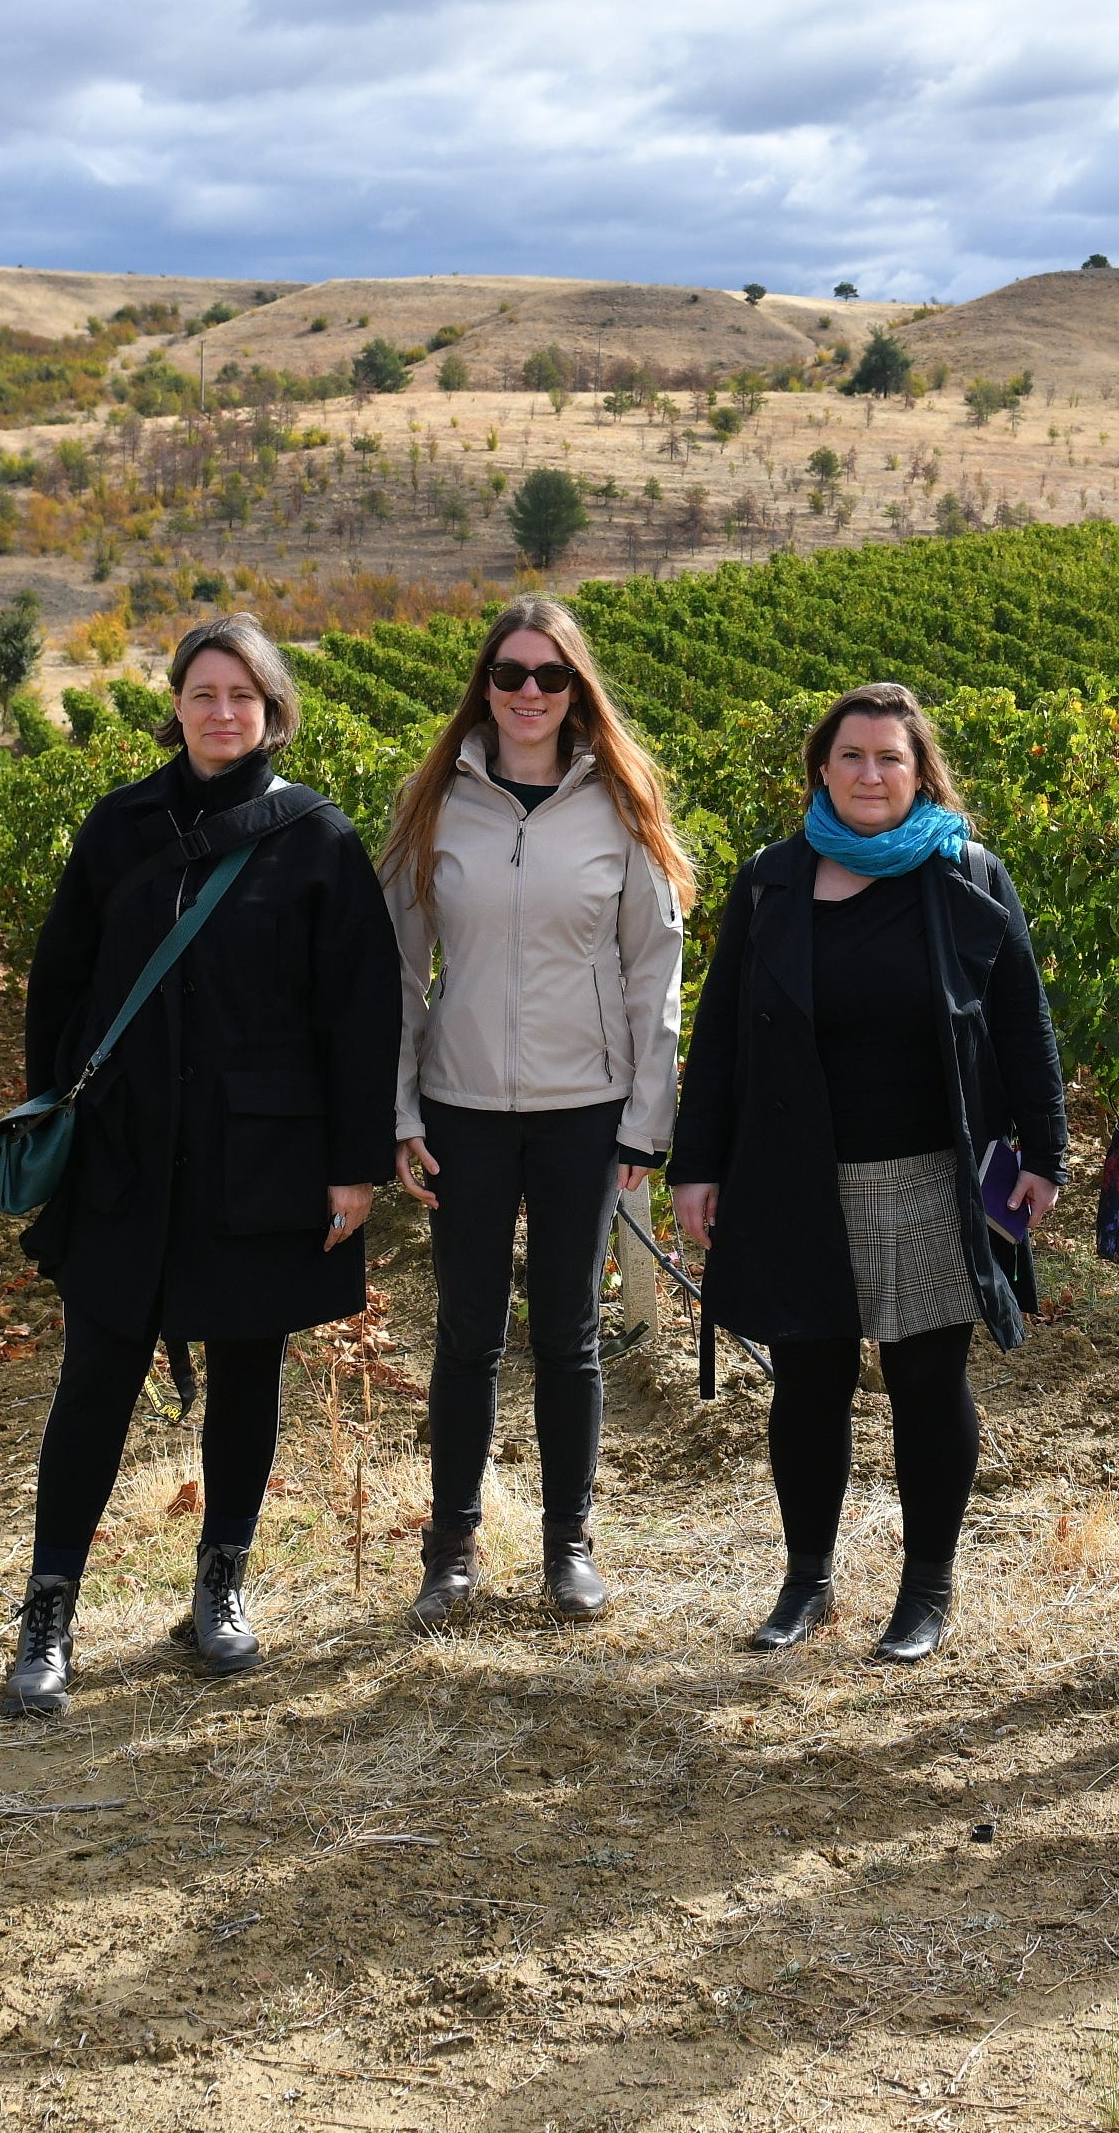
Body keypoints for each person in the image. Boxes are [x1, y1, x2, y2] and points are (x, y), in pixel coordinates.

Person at [2, 614, 402, 1717]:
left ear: (274, 711)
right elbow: (59, 984)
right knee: (96, 1376)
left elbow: (360, 1014)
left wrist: (353, 1165)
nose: (223, 713)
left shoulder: (317, 840)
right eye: (203, 693)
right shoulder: (119, 827)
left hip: (260, 1157)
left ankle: (220, 1587)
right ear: (175, 706)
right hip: (125, 1155)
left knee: (249, 1369)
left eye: (243, 695)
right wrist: (58, 1120)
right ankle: (49, 1613)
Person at [670, 684, 1063, 1664]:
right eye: (852, 755)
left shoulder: (967, 874)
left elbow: (1023, 1019)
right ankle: (806, 1583)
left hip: (935, 1174)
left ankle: (925, 1590)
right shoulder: (773, 882)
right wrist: (696, 1165)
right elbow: (720, 1037)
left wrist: (1046, 1154)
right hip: (798, 1174)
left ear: (920, 772)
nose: (871, 773)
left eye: (891, 757)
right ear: (822, 768)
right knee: (810, 1380)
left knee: (928, 1381)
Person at [379, 597, 692, 1628]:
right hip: (460, 1108)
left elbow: (654, 971)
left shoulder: (621, 803)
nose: (528, 692)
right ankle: (451, 1551)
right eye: (509, 673)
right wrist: (400, 1108)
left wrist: (646, 1119)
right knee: (467, 1333)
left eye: (550, 675)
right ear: (485, 685)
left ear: (574, 689)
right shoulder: (436, 803)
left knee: (567, 1333)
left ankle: (569, 1546)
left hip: (583, 1112)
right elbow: (398, 970)